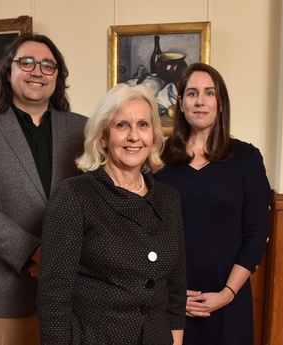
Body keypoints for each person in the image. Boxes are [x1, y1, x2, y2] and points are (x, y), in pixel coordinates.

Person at [0, 33, 88, 345]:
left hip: (75, 286)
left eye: (47, 65)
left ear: (57, 76)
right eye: (26, 62)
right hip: (5, 290)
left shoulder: (84, 129)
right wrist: (34, 252)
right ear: (8, 71)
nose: (37, 71)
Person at [36, 83, 187, 345]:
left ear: (153, 134)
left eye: (143, 124)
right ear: (103, 136)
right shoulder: (74, 195)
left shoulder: (168, 198)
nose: (134, 136)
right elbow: (53, 296)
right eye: (121, 125)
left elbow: (175, 286)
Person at [155, 62, 271, 345]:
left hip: (229, 300)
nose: (200, 101)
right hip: (168, 300)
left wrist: (227, 293)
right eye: (192, 93)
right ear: (180, 104)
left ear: (220, 104)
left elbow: (256, 234)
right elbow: (145, 235)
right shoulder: (157, 160)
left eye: (209, 93)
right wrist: (167, 294)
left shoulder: (246, 158)